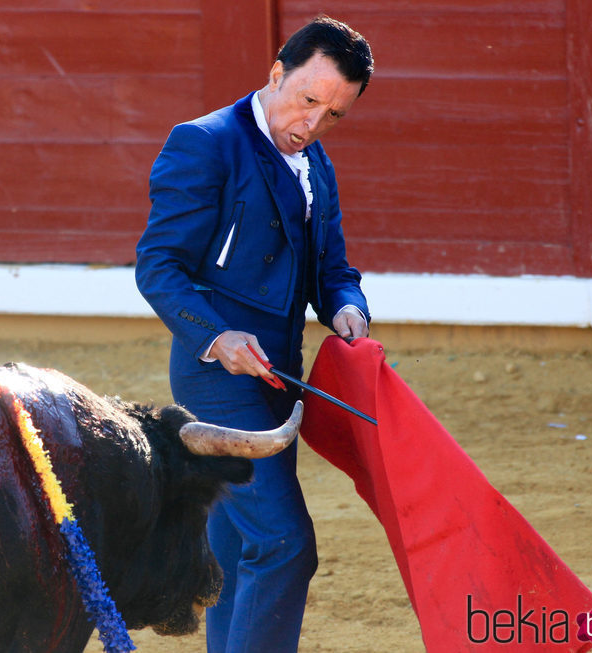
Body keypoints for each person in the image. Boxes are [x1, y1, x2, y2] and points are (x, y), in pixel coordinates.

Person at [134, 15, 373, 653]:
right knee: (282, 542)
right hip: (216, 379)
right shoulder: (205, 142)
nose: (313, 125)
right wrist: (217, 336)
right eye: (308, 101)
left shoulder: (314, 163)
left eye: (334, 115)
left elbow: (333, 270)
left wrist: (349, 310)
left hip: (277, 376)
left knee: (240, 547)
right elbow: (159, 267)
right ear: (276, 74)